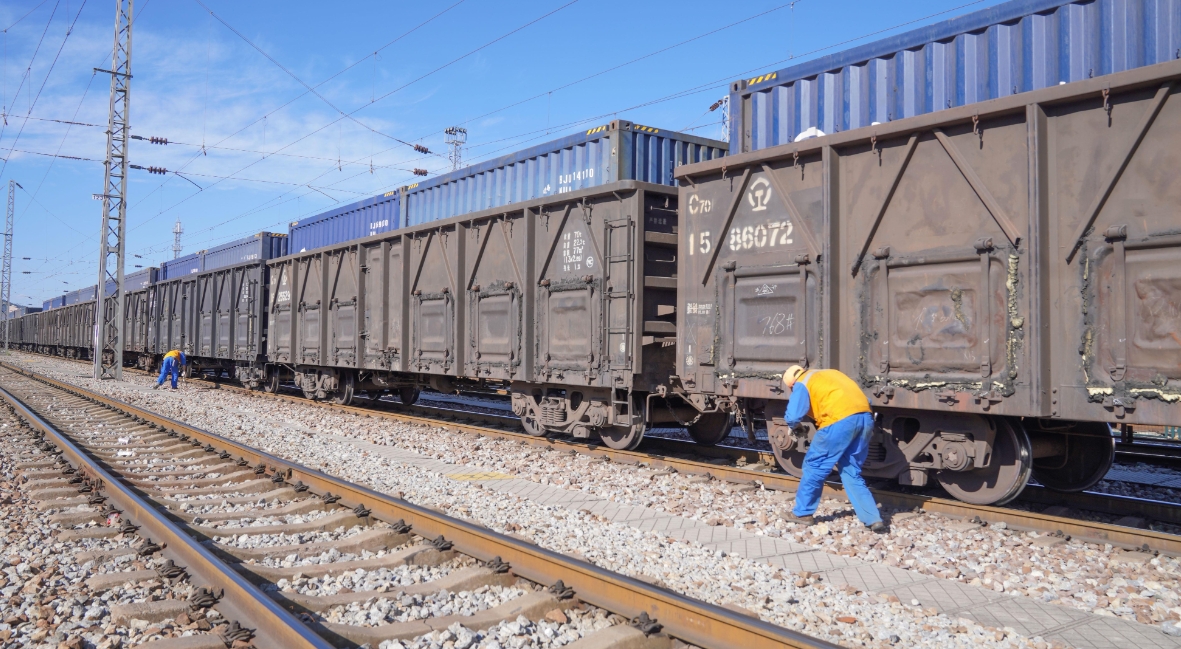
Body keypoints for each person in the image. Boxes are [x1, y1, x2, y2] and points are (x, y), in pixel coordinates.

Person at [780, 364, 886, 533]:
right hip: (865, 418)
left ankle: (803, 514)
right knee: (851, 471)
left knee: (814, 466)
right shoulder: (831, 374)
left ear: (791, 384)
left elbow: (792, 416)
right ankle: (873, 519)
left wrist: (796, 426)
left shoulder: (802, 382)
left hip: (839, 421)